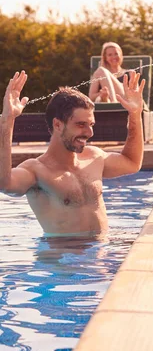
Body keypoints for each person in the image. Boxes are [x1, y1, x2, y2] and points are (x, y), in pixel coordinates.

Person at [0, 70, 145, 236]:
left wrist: (135, 114)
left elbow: (132, 163)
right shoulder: (36, 171)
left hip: (101, 256)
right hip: (62, 258)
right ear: (58, 125)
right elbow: (4, 184)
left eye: (91, 124)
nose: (89, 132)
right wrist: (7, 121)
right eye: (81, 124)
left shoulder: (94, 158)